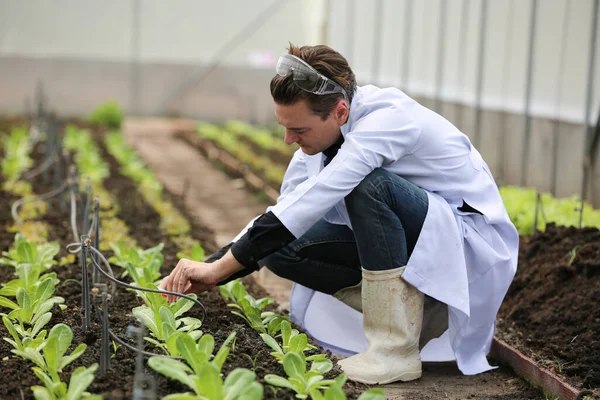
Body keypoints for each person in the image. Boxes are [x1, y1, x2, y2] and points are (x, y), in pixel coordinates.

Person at [160, 43, 519, 385]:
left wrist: (218, 269)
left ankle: (395, 349)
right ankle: (418, 311)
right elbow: (283, 214)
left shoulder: (388, 120)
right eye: (284, 127)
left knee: (370, 186)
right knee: (280, 249)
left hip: (468, 246)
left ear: (340, 112)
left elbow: (317, 197)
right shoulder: (321, 141)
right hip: (423, 242)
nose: (288, 140)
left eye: (298, 129)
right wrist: (211, 270)